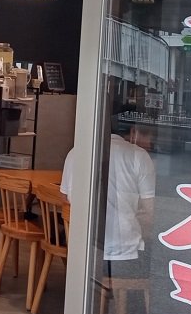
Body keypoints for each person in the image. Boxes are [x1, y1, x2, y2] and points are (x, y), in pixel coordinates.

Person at [60, 111, 156, 279]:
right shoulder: (138, 156)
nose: (151, 141)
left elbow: (64, 200)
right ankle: (124, 303)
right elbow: (151, 210)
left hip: (82, 254)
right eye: (148, 134)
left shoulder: (75, 152)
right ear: (133, 132)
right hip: (124, 256)